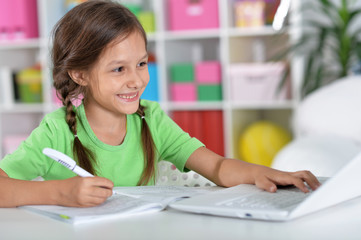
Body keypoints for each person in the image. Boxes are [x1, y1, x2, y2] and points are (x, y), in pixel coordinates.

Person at [0, 0, 320, 208]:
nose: (136, 80)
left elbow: (217, 167)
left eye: (141, 64)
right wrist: (60, 193)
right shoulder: (56, 131)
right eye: (118, 69)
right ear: (80, 74)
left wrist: (264, 174)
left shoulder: (151, 120)